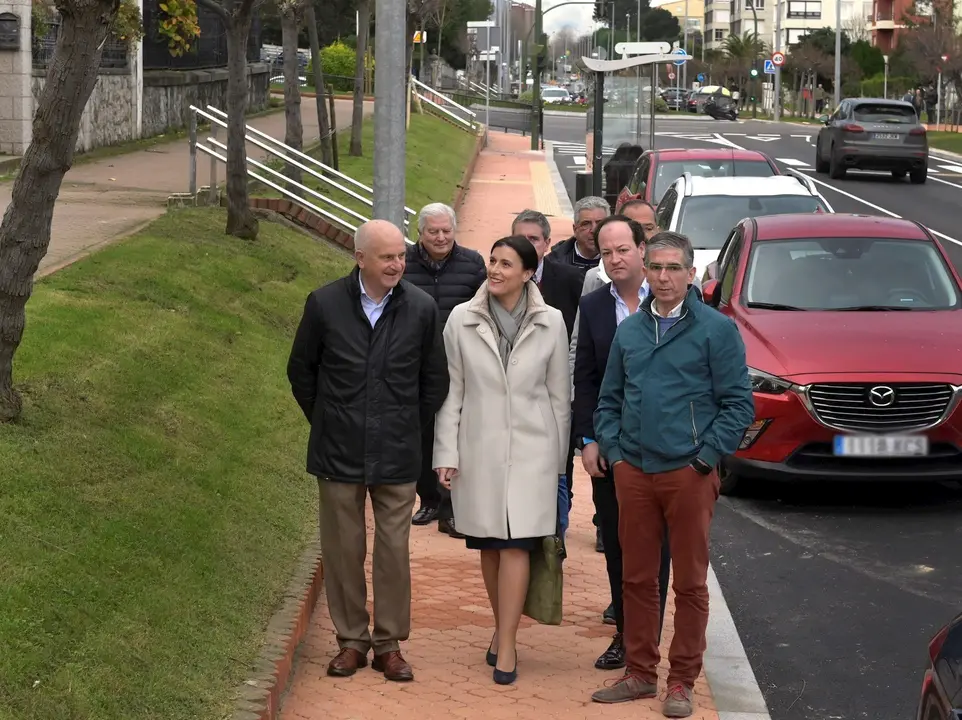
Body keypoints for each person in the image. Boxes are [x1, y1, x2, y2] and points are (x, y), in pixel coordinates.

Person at [589, 231, 754, 716]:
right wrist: (617, 454)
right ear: (646, 268)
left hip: (688, 473)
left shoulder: (716, 330)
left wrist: (705, 460)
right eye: (656, 268)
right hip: (634, 473)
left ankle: (681, 682)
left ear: (690, 274)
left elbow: (737, 404)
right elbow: (609, 400)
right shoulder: (630, 330)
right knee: (637, 580)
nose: (663, 277)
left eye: (673, 269)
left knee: (690, 584)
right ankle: (640, 673)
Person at [286, 219, 450, 683]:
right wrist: (328, 418)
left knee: (393, 550)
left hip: (397, 452)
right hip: (337, 451)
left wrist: (405, 425)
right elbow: (302, 371)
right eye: (387, 256)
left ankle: (389, 645)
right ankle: (352, 642)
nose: (398, 264)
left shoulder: (421, 308)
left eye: (401, 255)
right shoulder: (324, 304)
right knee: (343, 549)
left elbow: (433, 379)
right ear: (360, 258)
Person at [433, 235, 571, 687]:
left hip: (534, 453)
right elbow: (452, 392)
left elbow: (558, 398)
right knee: (491, 546)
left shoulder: (552, 321)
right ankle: (500, 627)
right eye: (492, 261)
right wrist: (446, 454)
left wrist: (559, 465)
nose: (494, 270)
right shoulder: (461, 319)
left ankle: (508, 643)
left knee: (518, 545)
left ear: (528, 273)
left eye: (506, 264)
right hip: (480, 450)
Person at [573, 215, 671, 675]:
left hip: (669, 452)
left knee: (660, 548)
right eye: (606, 252)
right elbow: (585, 378)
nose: (614, 259)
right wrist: (588, 439)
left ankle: (647, 640)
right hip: (612, 451)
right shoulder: (592, 306)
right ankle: (626, 634)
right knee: (616, 543)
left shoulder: (672, 299)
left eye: (622, 250)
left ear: (642, 248)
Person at [404, 202, 486, 538]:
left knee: (457, 433)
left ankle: (453, 508)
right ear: (419, 233)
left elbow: (483, 306)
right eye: (432, 231)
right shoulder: (404, 263)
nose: (440, 237)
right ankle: (429, 500)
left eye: (446, 231)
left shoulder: (473, 263)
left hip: (460, 361)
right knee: (423, 431)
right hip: (416, 362)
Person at [548, 196, 608, 275]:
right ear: (575, 229)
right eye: (586, 224)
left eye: (600, 223)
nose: (594, 230)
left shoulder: (621, 261)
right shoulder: (553, 263)